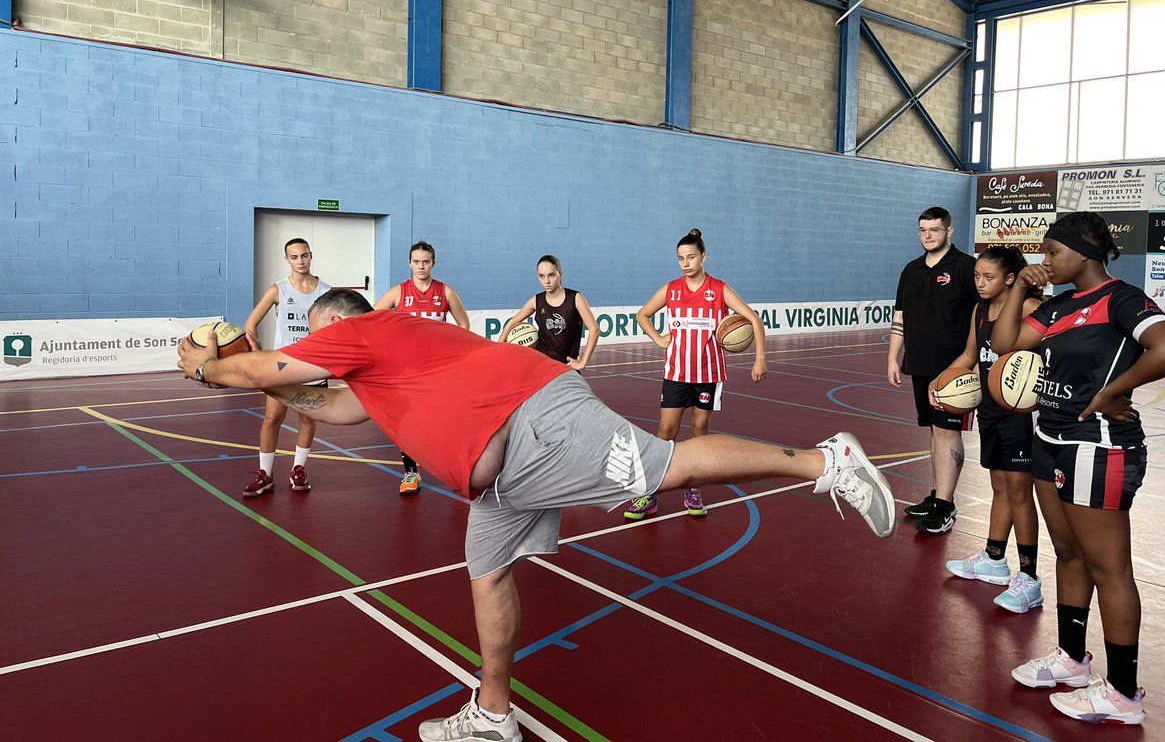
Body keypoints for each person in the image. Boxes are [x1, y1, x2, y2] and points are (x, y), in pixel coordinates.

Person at [179, 288, 896, 742]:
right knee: (486, 572)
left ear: (339, 323)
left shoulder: (364, 331)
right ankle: (494, 715)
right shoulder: (375, 370)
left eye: (318, 336)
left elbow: (266, 371)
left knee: (664, 467)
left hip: (536, 421)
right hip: (504, 478)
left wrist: (208, 364)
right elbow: (333, 410)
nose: (314, 348)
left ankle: (823, 461)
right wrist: (258, 375)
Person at [992, 212, 1165, 726]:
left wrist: (1113, 391)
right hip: (1048, 435)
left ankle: (1124, 694)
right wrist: (1017, 286)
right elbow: (1006, 344)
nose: (1045, 261)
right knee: (1068, 553)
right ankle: (1072, 661)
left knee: (1110, 568)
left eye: (1052, 253)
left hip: (1098, 444)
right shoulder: (1058, 305)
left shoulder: (1121, 298)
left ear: (1083, 254)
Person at [624, 228, 768, 521]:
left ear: (704, 257)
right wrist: (658, 339)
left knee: (700, 435)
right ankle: (648, 494)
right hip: (676, 372)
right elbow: (643, 314)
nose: (685, 263)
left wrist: (760, 359)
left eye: (691, 257)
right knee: (666, 434)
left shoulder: (719, 289)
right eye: (680, 258)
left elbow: (753, 318)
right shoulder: (671, 289)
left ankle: (692, 489)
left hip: (708, 374)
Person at [935, 245, 1043, 613]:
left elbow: (1048, 358)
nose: (979, 283)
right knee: (999, 485)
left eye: (988, 277)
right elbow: (969, 355)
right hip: (990, 409)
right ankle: (995, 558)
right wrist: (943, 380)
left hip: (1020, 413)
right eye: (976, 276)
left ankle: (1029, 578)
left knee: (1019, 492)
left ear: (1011, 279)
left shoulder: (1029, 310)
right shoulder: (980, 310)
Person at [887, 206, 979, 534]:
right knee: (934, 431)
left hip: (954, 370)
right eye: (923, 230)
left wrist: (976, 362)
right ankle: (938, 497)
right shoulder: (911, 270)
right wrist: (892, 358)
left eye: (935, 230)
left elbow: (981, 315)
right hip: (920, 364)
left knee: (946, 431)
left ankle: (945, 505)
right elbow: (901, 317)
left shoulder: (967, 267)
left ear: (949, 232)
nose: (928, 235)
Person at [375, 241, 470, 494]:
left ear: (433, 264)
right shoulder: (398, 292)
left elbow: (464, 325)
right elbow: (371, 318)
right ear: (409, 263)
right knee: (406, 422)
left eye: (425, 261)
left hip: (439, 370)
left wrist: (453, 353)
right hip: (406, 370)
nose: (420, 266)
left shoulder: (445, 292)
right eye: (416, 261)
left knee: (448, 420)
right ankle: (410, 473)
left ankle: (458, 471)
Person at [241, 238, 332, 496]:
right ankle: (265, 474)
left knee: (306, 418)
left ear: (311, 256)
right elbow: (250, 323)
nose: (300, 261)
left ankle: (298, 469)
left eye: (304, 255)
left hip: (313, 367)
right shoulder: (278, 290)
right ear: (287, 260)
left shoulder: (326, 291)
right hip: (282, 367)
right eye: (294, 257)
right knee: (272, 418)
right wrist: (257, 352)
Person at [498, 255, 600, 370]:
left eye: (551, 275)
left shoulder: (575, 298)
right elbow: (512, 322)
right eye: (542, 276)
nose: (546, 281)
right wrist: (499, 350)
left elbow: (594, 330)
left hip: (566, 367)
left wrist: (582, 362)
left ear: (560, 275)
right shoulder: (536, 301)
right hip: (542, 366)